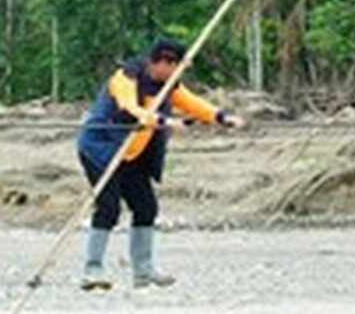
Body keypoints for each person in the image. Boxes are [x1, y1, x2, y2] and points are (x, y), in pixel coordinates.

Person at [76, 38, 245, 290]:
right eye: (176, 67)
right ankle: (92, 270)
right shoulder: (126, 77)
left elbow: (192, 103)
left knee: (146, 207)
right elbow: (130, 108)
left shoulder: (168, 85)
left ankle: (143, 271)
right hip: (102, 149)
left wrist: (221, 117)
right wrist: (163, 121)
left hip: (133, 155)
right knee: (108, 208)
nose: (179, 74)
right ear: (163, 62)